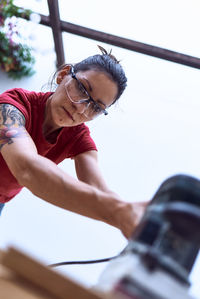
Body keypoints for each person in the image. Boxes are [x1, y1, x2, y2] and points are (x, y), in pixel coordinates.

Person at [0, 46, 147, 239]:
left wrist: (138, 222)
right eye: (82, 88)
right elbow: (26, 168)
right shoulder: (13, 105)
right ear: (63, 75)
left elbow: (99, 193)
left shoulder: (78, 138)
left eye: (95, 107)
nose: (80, 108)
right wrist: (121, 211)